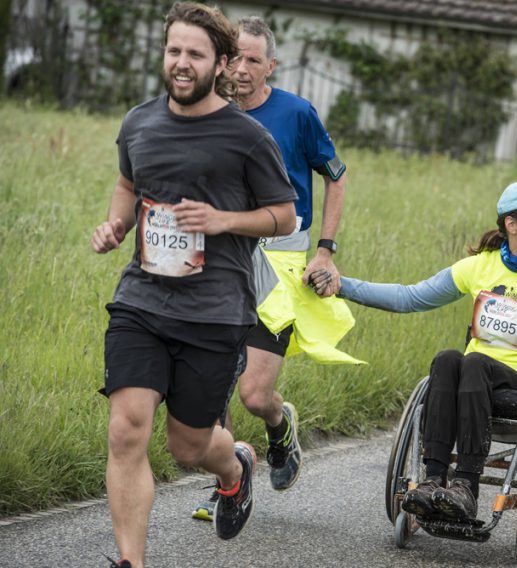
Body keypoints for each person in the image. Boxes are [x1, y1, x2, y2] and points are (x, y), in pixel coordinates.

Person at [90, 3, 297, 566]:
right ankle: (132, 561)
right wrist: (117, 224)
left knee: (188, 447)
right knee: (126, 430)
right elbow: (128, 184)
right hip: (141, 301)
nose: (181, 63)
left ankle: (236, 468)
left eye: (195, 54)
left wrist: (224, 220)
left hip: (215, 311)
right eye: (174, 50)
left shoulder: (247, 138)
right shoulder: (139, 122)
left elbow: (284, 216)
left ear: (222, 63)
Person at [311, 180, 517, 522]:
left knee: (475, 362)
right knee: (448, 359)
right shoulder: (480, 266)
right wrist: (341, 285)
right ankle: (433, 479)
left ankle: (466, 484)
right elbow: (410, 298)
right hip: (474, 385)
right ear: (512, 224)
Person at [189, 15, 357, 521]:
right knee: (212, 381)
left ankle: (280, 425)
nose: (241, 69)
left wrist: (325, 250)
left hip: (281, 259)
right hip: (221, 257)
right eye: (234, 57)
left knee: (254, 392)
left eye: (253, 61)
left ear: (271, 67)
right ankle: (227, 481)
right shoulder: (208, 111)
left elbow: (337, 177)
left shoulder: (296, 113)